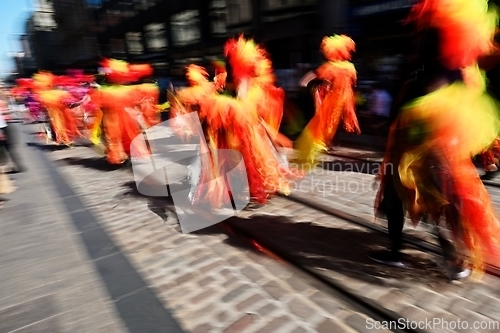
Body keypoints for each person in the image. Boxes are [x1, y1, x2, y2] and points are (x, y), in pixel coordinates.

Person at [370, 0, 500, 280]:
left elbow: (424, 90)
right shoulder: (448, 61)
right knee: (434, 196)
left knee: (413, 195)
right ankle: (450, 254)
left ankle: (424, 252)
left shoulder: (437, 60)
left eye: (423, 29)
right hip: (424, 135)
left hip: (420, 136)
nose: (418, 32)